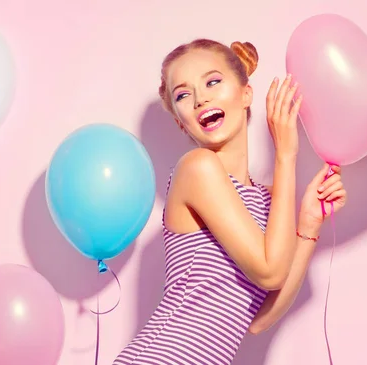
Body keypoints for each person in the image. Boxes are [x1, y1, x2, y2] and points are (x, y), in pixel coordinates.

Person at [113, 38, 347, 365]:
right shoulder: (198, 168)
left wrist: (308, 225)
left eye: (212, 81)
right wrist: (285, 154)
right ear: (180, 121)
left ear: (245, 94)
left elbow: (258, 320)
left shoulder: (266, 200)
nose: (200, 98)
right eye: (183, 94)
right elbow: (270, 273)